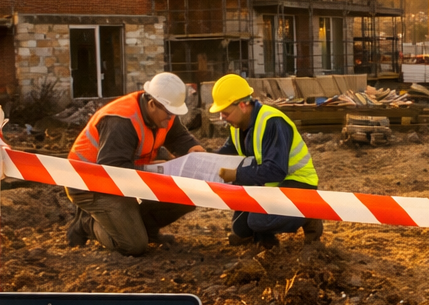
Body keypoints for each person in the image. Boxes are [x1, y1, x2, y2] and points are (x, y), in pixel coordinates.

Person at [65, 72, 203, 255]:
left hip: (125, 177)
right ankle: (86, 223)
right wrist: (152, 172)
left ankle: (144, 230)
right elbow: (112, 172)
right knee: (134, 245)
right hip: (91, 185)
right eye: (170, 113)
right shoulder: (121, 121)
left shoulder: (164, 112)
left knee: (187, 194)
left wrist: (193, 149)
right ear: (152, 104)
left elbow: (178, 137)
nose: (171, 118)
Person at [209, 73, 322, 248]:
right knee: (240, 229)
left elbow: (276, 170)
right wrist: (204, 157)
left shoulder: (272, 122)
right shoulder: (237, 126)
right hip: (269, 185)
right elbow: (227, 153)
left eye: (225, 112)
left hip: (299, 183)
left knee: (258, 221)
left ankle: (309, 215)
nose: (222, 117)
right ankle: (265, 239)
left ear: (242, 105)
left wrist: (237, 174)